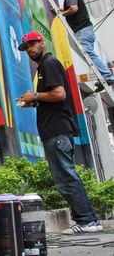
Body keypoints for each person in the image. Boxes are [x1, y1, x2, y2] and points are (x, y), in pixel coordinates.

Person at [18, 31, 102, 234]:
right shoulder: (43, 68)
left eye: (32, 45)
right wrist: (33, 101)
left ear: (42, 43)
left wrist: (35, 95)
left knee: (66, 177)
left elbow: (59, 94)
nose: (29, 50)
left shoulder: (49, 64)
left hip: (57, 130)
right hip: (54, 130)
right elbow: (53, 97)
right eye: (26, 47)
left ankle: (86, 221)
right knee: (66, 176)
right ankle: (89, 220)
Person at [56, 0, 114, 92]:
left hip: (83, 30)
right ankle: (104, 77)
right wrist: (59, 9)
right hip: (85, 30)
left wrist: (62, 14)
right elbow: (70, 7)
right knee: (89, 56)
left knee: (88, 53)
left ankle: (108, 76)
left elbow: (73, 8)